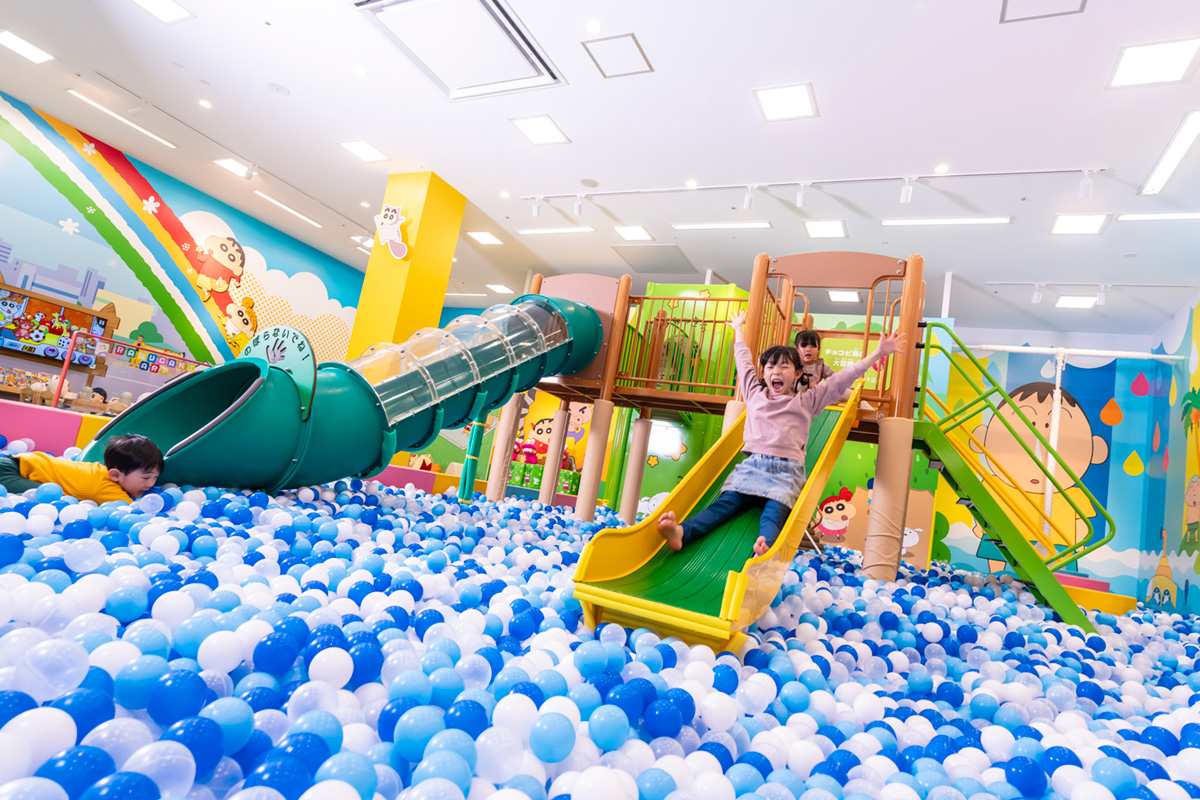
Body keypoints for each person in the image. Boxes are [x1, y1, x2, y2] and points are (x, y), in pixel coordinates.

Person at [658, 312, 905, 557]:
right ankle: (682, 532)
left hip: (787, 472)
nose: (776, 371)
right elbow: (743, 361)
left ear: (797, 374)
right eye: (770, 366)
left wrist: (879, 352)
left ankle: (764, 549)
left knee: (774, 513)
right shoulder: (754, 393)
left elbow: (840, 380)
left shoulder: (806, 401)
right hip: (753, 465)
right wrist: (738, 330)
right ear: (763, 373)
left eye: (784, 366)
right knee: (724, 504)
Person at [0, 434, 163, 503]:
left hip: (22, 461)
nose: (150, 484)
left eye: (155, 477)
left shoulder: (101, 470)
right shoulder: (106, 489)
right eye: (145, 478)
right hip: (9, 471)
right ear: (115, 475)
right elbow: (132, 510)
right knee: (47, 499)